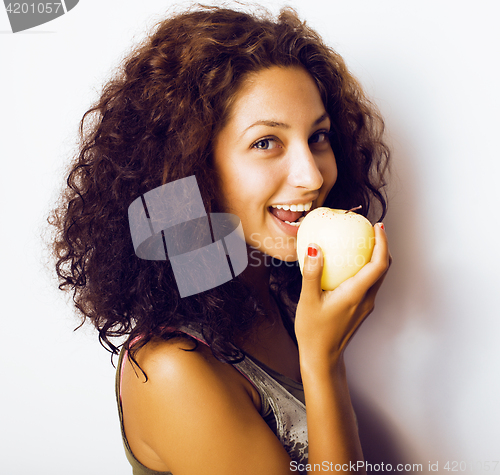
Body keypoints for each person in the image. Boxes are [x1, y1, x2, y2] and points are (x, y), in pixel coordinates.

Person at [49, 4, 391, 474]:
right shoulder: (172, 370)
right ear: (194, 167)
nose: (312, 177)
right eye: (266, 142)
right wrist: (323, 361)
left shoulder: (274, 292)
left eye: (319, 137)